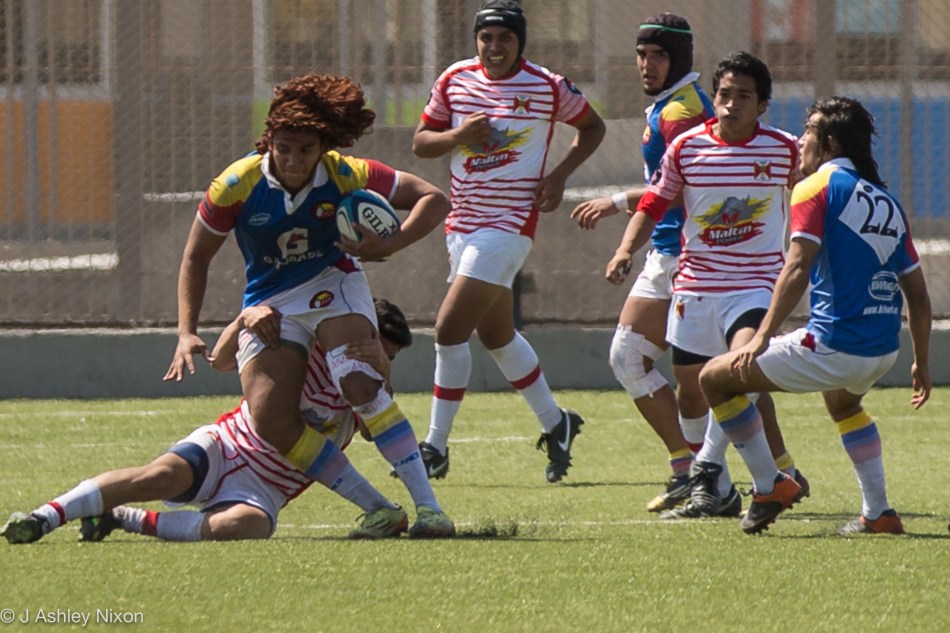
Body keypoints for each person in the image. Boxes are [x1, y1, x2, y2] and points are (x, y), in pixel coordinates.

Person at [163, 73, 454, 536]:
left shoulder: (346, 172)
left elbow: (433, 199)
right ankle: (378, 507)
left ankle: (431, 509)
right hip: (270, 298)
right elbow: (196, 255)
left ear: (323, 147)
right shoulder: (234, 184)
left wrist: (390, 243)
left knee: (357, 381)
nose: (294, 159)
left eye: (305, 149)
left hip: (331, 280)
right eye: (284, 148)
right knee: (272, 419)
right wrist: (186, 330)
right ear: (268, 142)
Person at [2, 298, 427, 543]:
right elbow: (221, 361)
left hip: (267, 488)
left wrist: (382, 377)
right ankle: (43, 517)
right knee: (160, 476)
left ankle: (121, 518)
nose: (378, 358)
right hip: (227, 447)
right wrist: (244, 319)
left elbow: (376, 433)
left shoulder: (367, 389)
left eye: (390, 356)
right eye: (377, 348)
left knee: (249, 527)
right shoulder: (300, 347)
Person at [698, 96, 932, 535]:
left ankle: (769, 486)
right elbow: (918, 297)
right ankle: (878, 513)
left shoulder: (814, 188)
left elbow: (797, 266)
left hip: (836, 345)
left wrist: (761, 336)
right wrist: (921, 360)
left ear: (826, 143)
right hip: (883, 349)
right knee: (843, 402)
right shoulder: (887, 202)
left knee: (714, 378)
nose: (800, 141)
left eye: (806, 132)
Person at [411, 0, 606, 483]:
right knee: (495, 335)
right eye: (486, 38)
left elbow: (592, 127)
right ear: (476, 40)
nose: (494, 47)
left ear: (520, 42)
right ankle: (557, 424)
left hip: (509, 225)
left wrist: (559, 177)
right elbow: (421, 142)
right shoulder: (455, 78)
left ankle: (434, 448)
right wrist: (459, 135)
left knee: (448, 330)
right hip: (461, 225)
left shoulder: (547, 85)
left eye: (505, 38)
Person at [609, 51, 806, 519]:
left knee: (736, 372)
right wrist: (624, 250)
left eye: (744, 97)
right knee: (693, 392)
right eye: (724, 95)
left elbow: (817, 193)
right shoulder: (687, 147)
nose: (731, 104)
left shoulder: (784, 148)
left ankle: (755, 482)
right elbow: (655, 202)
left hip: (756, 285)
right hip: (696, 286)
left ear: (762, 106)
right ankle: (717, 488)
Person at [570, 13, 714, 512]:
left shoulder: (681, 114)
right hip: (668, 251)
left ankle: (754, 470)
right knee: (635, 359)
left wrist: (617, 208)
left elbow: (683, 193)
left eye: (658, 55)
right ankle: (689, 469)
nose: (646, 64)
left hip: (690, 254)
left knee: (712, 376)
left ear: (679, 59)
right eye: (641, 54)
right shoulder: (669, 108)